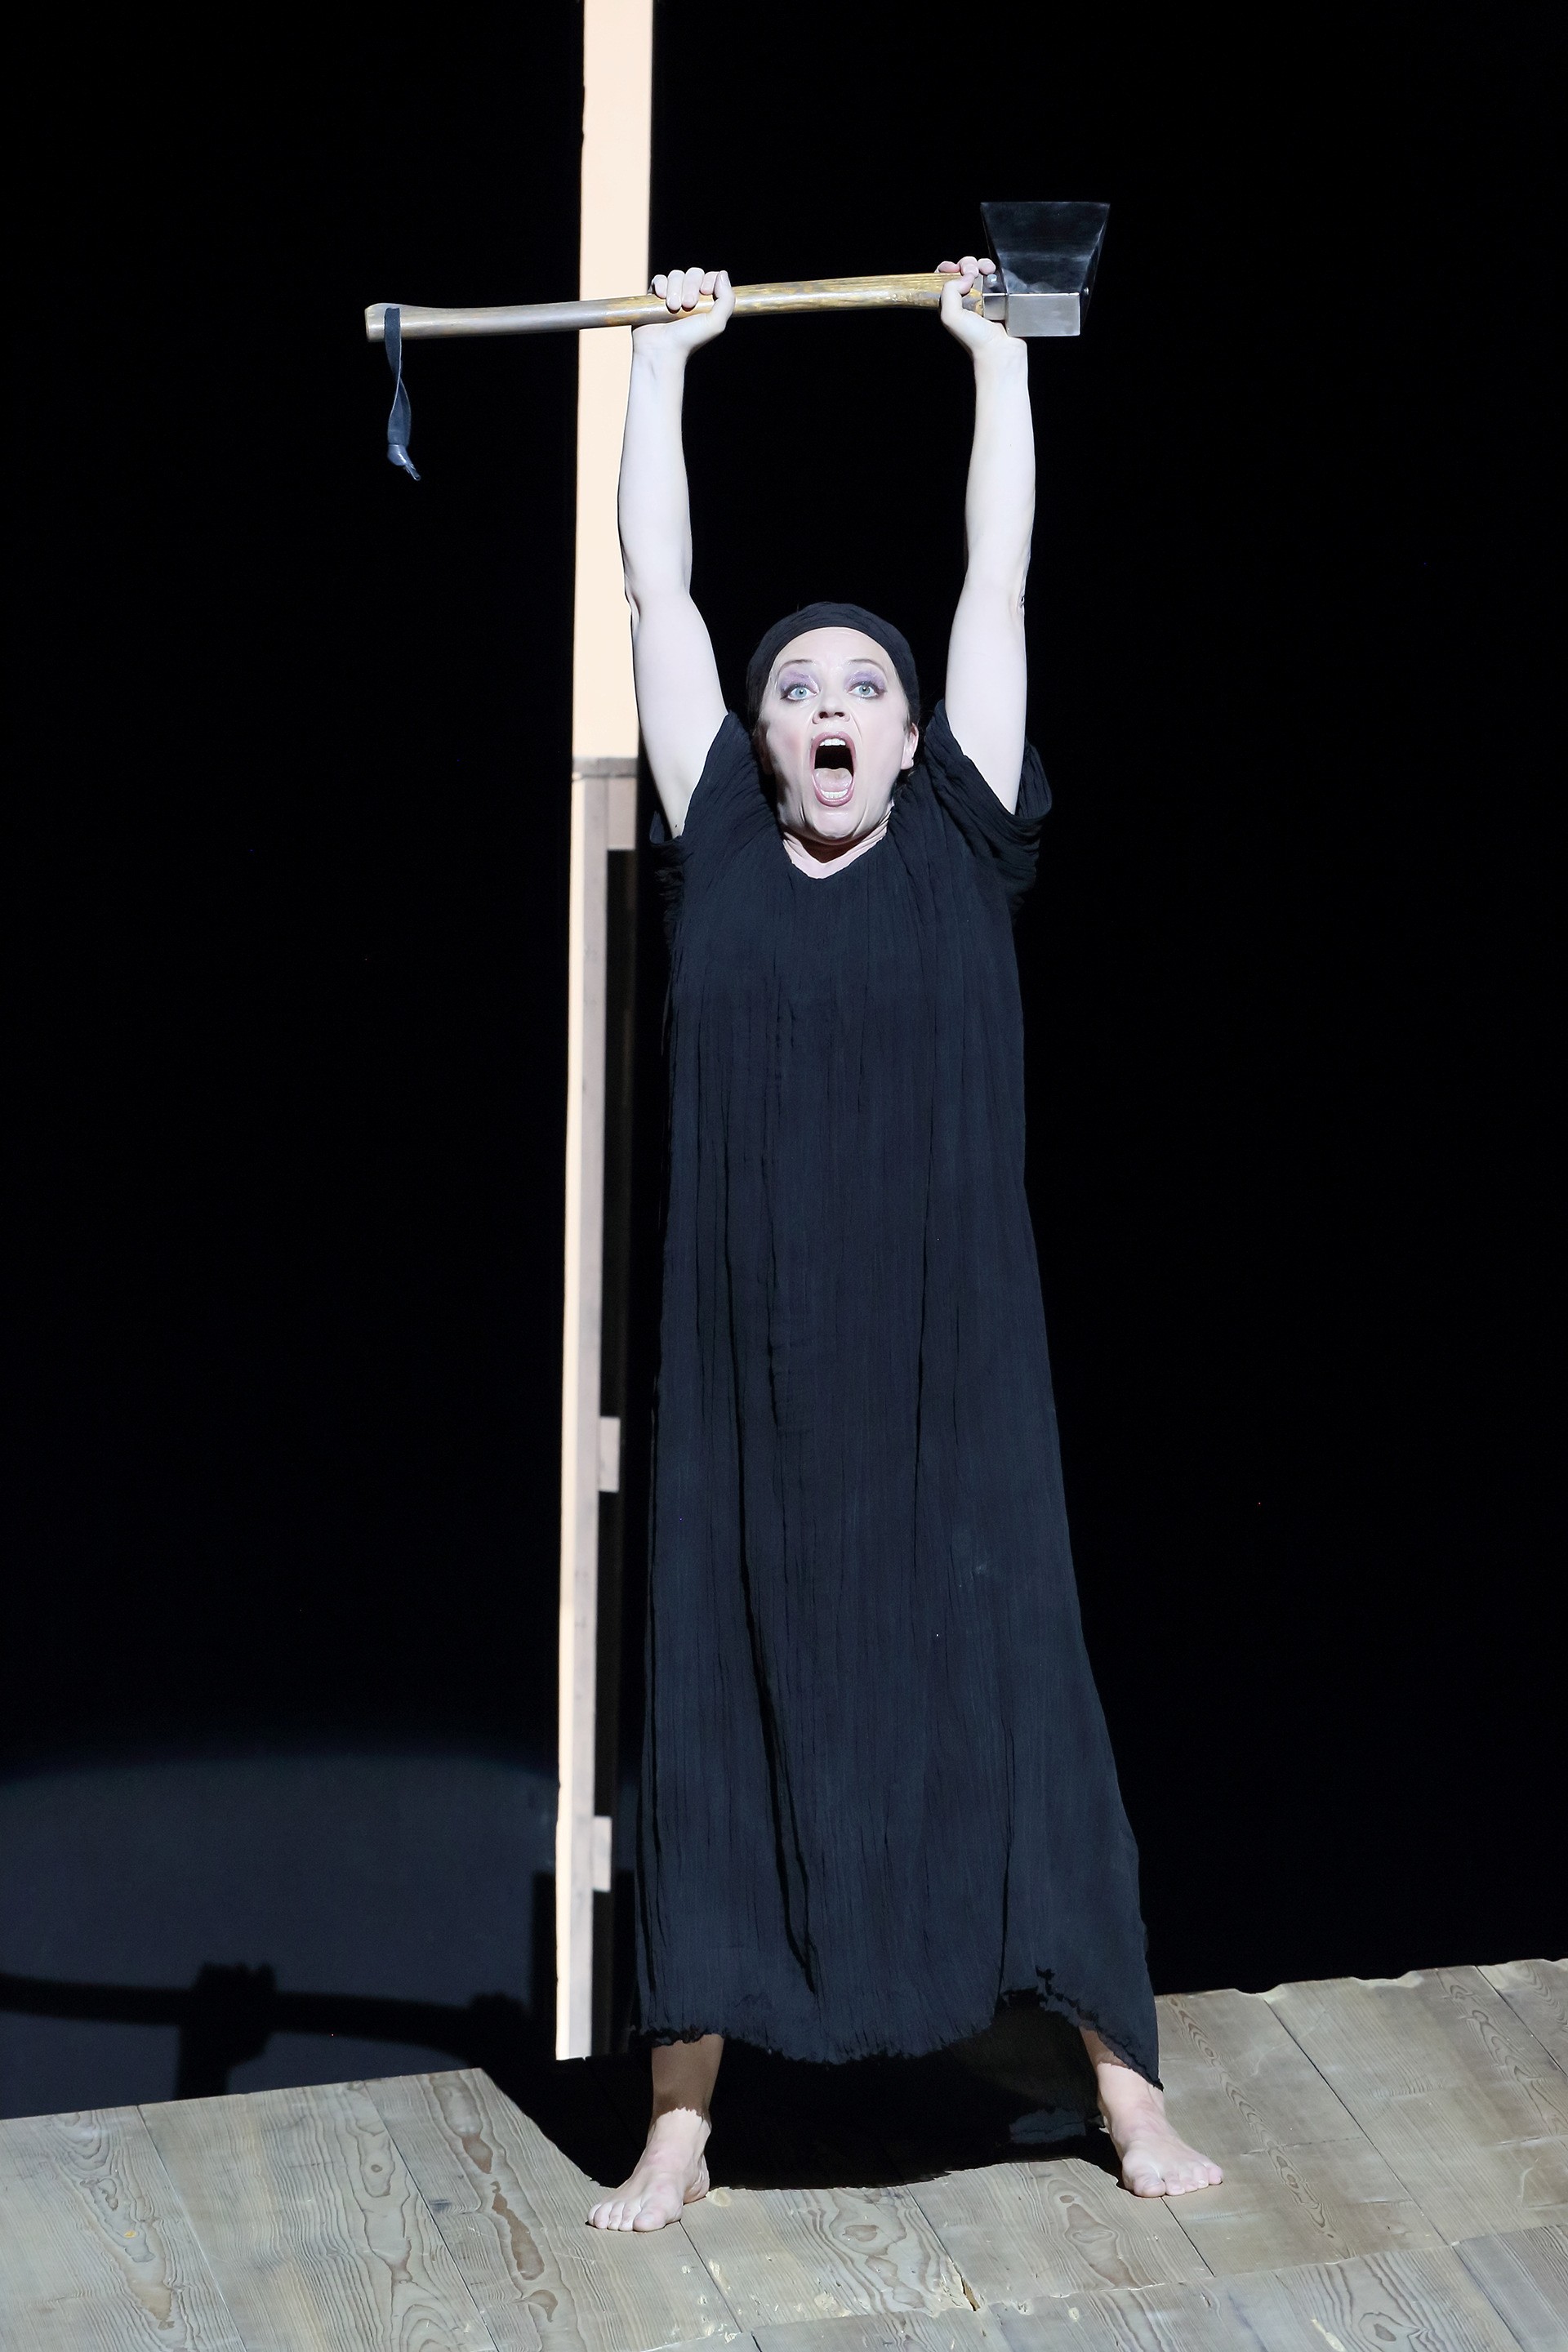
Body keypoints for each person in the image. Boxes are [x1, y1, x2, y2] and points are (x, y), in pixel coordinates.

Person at [588, 256, 1223, 2230]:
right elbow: (659, 593)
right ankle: (682, 2120)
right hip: (754, 1392)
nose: (831, 710)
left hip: (957, 1381)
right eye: (800, 692)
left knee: (1023, 1699)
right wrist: (665, 366)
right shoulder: (717, 838)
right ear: (761, 740)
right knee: (719, 1707)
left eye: (864, 686)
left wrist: (994, 361)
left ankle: (1125, 2093)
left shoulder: (957, 833)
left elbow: (997, 580)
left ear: (915, 726)